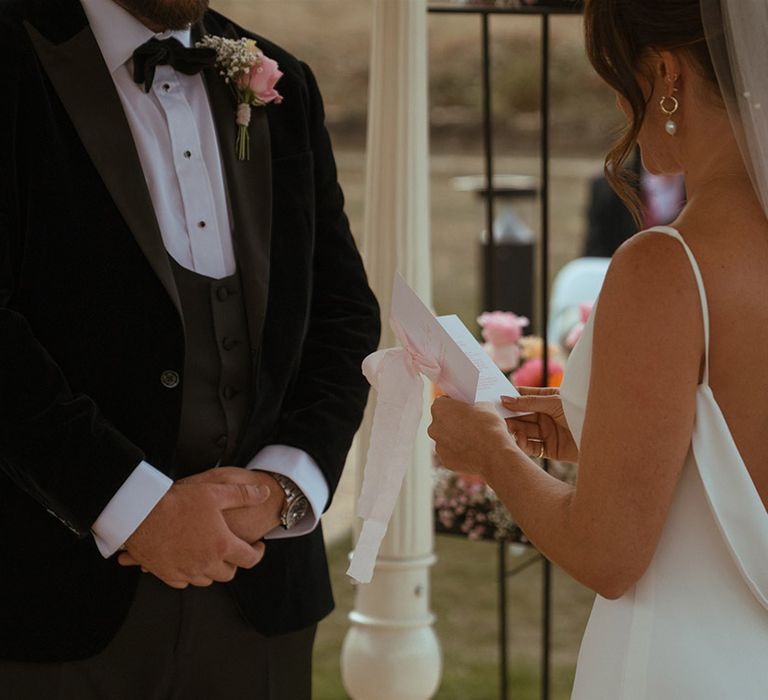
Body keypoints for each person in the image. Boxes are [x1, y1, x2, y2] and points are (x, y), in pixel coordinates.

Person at [0, 0, 380, 697]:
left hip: (260, 596)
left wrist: (282, 487)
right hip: (44, 598)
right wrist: (133, 505)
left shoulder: (283, 81)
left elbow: (344, 316)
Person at [429, 0, 768, 696]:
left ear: (667, 73)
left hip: (678, 669)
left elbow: (608, 554)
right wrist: (601, 434)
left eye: (618, 79)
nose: (620, 106)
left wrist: (491, 451)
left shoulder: (668, 268)